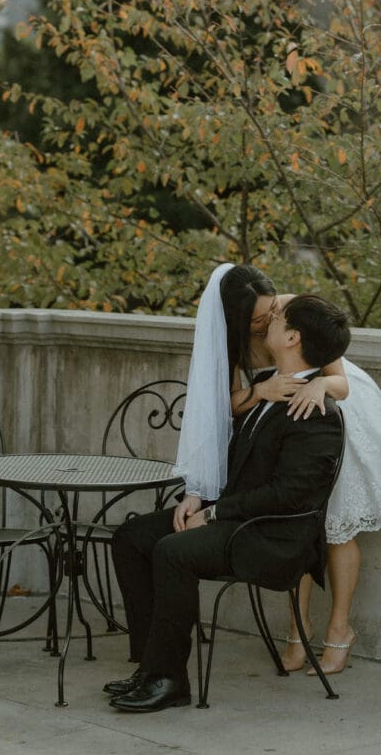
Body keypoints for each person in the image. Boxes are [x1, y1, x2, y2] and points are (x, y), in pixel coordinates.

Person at [173, 263, 381, 677]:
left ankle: (339, 630)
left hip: (324, 408)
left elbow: (339, 381)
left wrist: (319, 386)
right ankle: (297, 631)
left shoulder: (293, 312)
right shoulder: (228, 335)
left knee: (336, 526)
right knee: (296, 525)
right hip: (276, 409)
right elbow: (222, 406)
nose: (268, 320)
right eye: (258, 318)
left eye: (272, 311)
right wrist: (260, 391)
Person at [107, 294, 351, 712]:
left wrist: (214, 513)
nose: (269, 321)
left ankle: (170, 680)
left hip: (272, 537)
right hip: (235, 516)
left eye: (277, 318)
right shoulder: (272, 383)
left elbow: (288, 495)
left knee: (173, 551)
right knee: (131, 537)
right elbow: (228, 457)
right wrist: (196, 497)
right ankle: (149, 666)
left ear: (292, 337)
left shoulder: (316, 413)